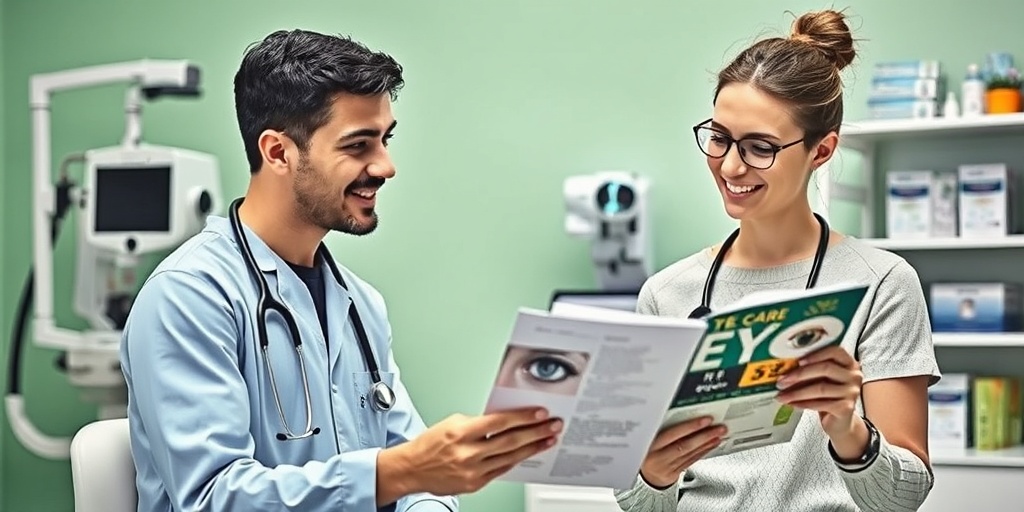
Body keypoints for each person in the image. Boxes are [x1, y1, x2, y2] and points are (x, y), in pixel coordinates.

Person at [119, 29, 564, 512]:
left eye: (385, 140)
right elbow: (211, 498)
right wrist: (396, 473)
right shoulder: (190, 296)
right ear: (278, 152)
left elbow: (419, 479)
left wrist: (424, 492)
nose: (386, 166)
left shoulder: (359, 304)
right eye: (359, 145)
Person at [614, 9, 940, 512]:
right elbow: (637, 504)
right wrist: (653, 474)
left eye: (760, 147)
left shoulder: (882, 284)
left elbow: (903, 498)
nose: (730, 166)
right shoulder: (667, 293)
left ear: (822, 151)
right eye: (719, 137)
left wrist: (848, 431)